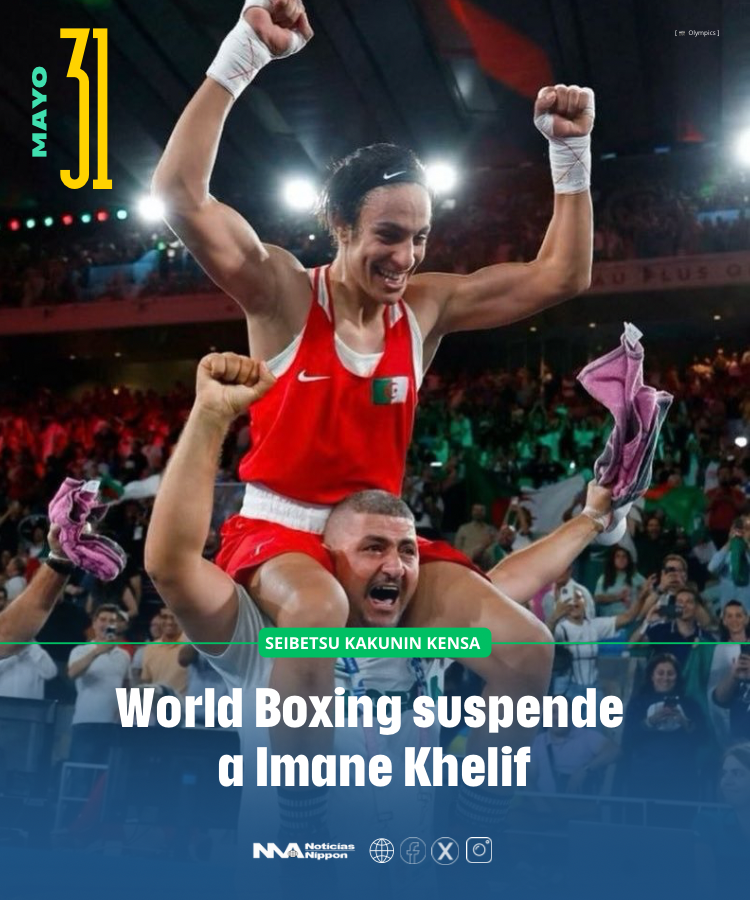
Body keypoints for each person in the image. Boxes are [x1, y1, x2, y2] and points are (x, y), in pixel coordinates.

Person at [152, 0, 595, 761]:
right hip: (282, 535)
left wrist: (571, 153)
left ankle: (462, 795)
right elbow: (181, 197)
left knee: (527, 651)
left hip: (383, 539)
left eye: (421, 237)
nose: (407, 257)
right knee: (316, 611)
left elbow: (563, 276)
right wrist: (243, 54)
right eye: (389, 236)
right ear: (340, 225)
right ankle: (302, 806)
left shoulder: (426, 307)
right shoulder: (283, 294)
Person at [144, 352, 614, 837]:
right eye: (373, 548)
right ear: (328, 560)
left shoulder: (424, 640)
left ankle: (473, 829)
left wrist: (594, 517)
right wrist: (210, 416)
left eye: (408, 551)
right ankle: (303, 835)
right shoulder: (265, 639)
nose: (395, 566)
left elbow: (509, 582)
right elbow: (170, 566)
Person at [619, 653, 707, 801]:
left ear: (677, 677)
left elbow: (703, 738)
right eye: (660, 673)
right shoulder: (637, 703)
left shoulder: (690, 704)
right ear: (652, 676)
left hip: (682, 778)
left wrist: (684, 722)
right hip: (645, 777)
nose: (665, 678)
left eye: (670, 674)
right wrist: (650, 722)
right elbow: (627, 739)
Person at [67, 604, 131, 763]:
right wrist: (97, 651)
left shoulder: (124, 655)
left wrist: (124, 714)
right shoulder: (81, 650)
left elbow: (126, 686)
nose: (107, 624)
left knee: (108, 773)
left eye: (112, 621)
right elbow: (72, 673)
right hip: (86, 721)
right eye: (103, 619)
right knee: (82, 771)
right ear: (94, 623)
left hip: (113, 725)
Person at [707, 602, 750, 746]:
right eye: (729, 616)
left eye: (738, 615)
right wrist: (733, 675)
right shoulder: (719, 650)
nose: (734, 620)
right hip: (737, 716)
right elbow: (716, 695)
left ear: (746, 619)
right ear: (724, 621)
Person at [593, 545, 645, 617]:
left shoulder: (635, 576)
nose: (621, 559)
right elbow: (597, 598)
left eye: (624, 556)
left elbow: (648, 589)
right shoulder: (604, 577)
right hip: (609, 619)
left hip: (631, 617)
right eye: (618, 556)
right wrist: (618, 597)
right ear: (613, 560)